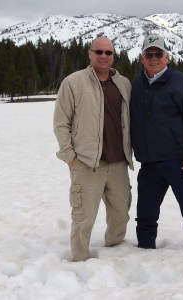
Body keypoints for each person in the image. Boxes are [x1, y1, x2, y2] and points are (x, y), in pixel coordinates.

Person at [130, 34, 183, 255]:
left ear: (167, 56)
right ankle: (145, 252)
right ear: (142, 58)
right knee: (145, 215)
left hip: (180, 162)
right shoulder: (136, 85)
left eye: (159, 54)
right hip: (149, 164)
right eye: (149, 54)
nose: (154, 58)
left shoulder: (182, 82)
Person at [53, 36, 133, 262]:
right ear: (89, 54)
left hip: (118, 163)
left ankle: (116, 255)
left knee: (120, 216)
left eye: (108, 52)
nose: (103, 56)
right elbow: (61, 122)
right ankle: (79, 261)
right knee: (83, 218)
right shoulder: (73, 82)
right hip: (87, 164)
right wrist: (70, 158)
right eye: (99, 52)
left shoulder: (124, 84)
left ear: (113, 56)